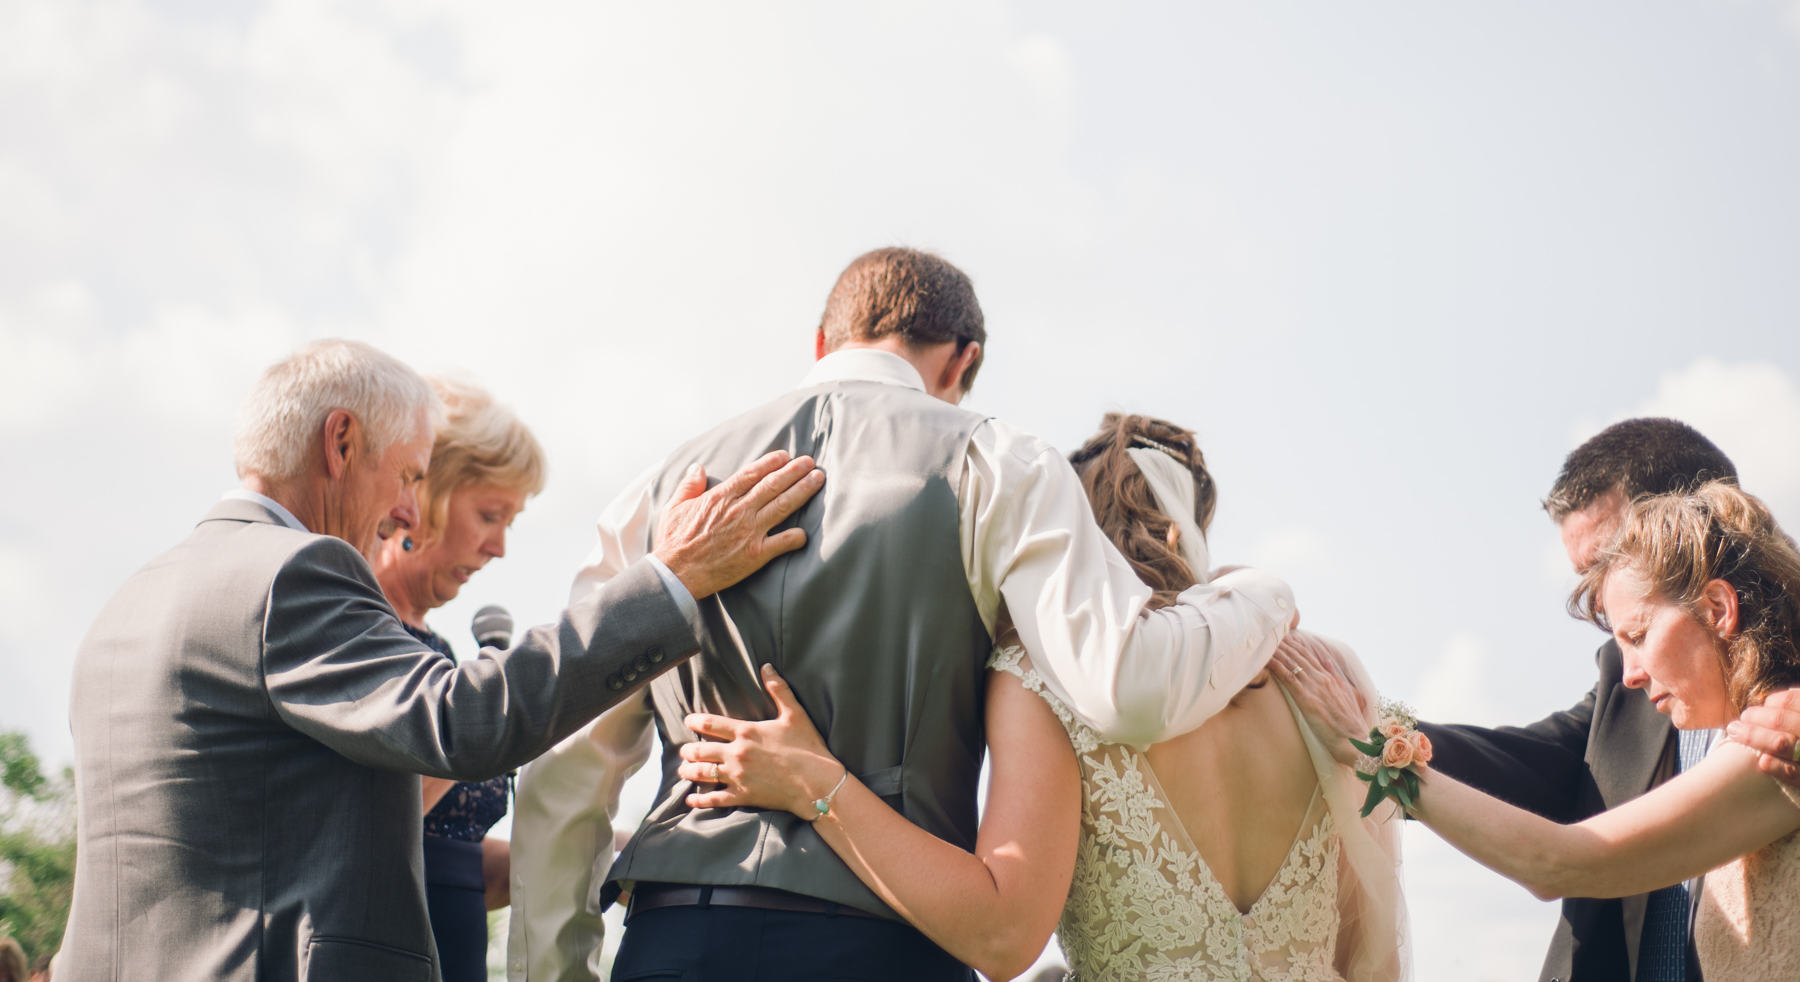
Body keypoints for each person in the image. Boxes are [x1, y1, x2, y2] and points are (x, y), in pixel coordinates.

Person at [507, 249, 1298, 982]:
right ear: (964, 361)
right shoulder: (999, 462)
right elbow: (1128, 686)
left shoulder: (657, 486)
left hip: (674, 945)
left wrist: (556, 970)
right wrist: (1263, 596)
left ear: (823, 340)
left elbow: (567, 769)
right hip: (883, 947)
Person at [61, 338, 824, 981]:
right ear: (341, 442)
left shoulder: (126, 605)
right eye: (409, 476)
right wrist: (669, 580)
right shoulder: (294, 573)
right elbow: (465, 722)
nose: (405, 511)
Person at [682, 413, 1408, 981]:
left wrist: (818, 782)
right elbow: (1365, 948)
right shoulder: (1322, 675)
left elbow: (1001, 937)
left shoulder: (1041, 678)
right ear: (1192, 525)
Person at [1279, 480, 1800, 981]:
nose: (1630, 674)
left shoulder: (1773, 748)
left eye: (1638, 635)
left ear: (1718, 608)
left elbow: (1559, 862)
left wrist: (1369, 752)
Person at [1413, 417, 1738, 982]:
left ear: (1691, 524)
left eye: (1607, 563)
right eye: (1585, 580)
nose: (1600, 606)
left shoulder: (1784, 712)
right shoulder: (1629, 674)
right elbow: (1533, 760)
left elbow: (1556, 865)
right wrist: (1377, 733)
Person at [370, 377, 547, 982]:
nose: (497, 546)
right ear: (428, 490)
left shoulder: (442, 653)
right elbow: (369, 827)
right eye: (489, 514)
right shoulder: (355, 629)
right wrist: (479, 720)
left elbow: (450, 858)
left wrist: (599, 853)